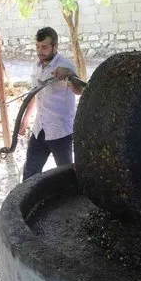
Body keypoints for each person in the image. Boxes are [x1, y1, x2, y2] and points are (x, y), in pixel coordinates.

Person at [19, 27, 84, 181]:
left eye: (44, 47)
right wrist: (25, 120)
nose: (40, 51)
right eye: (37, 47)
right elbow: (35, 95)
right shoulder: (37, 66)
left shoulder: (65, 66)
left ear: (55, 47)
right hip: (39, 129)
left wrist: (70, 74)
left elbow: (79, 90)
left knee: (67, 175)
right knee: (30, 173)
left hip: (60, 131)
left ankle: (71, 204)